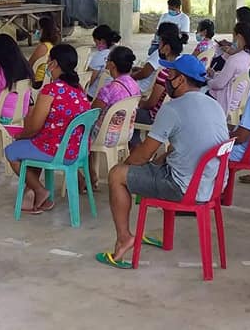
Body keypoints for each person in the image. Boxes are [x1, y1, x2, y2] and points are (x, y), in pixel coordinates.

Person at [95, 55, 228, 269]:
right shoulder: (214, 105)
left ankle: (124, 238)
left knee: (116, 176)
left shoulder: (172, 109)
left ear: (181, 80)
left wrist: (125, 167)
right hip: (213, 185)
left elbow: (143, 155)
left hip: (184, 188)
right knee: (159, 162)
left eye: (170, 74)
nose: (165, 78)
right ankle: (152, 231)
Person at [5, 44, 91, 213]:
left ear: (55, 64)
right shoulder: (79, 89)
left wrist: (20, 135)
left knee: (11, 151)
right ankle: (33, 196)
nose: (47, 64)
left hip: (56, 150)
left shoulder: (51, 90)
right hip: (77, 150)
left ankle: (38, 190)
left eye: (48, 60)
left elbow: (35, 127)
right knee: (32, 146)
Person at [88, 46, 140, 190]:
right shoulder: (134, 85)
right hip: (126, 133)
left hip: (105, 135)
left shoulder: (109, 89)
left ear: (112, 64)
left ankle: (90, 177)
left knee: (80, 131)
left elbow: (93, 111)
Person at [130, 30, 186, 147]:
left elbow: (151, 104)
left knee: (128, 114)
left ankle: (135, 147)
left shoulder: (166, 73)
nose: (158, 48)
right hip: (176, 114)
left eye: (160, 45)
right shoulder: (183, 69)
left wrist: (136, 103)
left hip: (156, 116)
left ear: (167, 48)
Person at [208, 22, 250, 114]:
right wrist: (215, 74)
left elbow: (218, 84)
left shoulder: (235, 58)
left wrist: (208, 80)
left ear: (239, 37)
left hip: (226, 101)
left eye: (233, 35)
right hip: (241, 100)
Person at [132, 22, 187, 94]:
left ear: (167, 47)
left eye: (160, 41)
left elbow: (144, 73)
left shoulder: (158, 56)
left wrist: (131, 76)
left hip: (142, 89)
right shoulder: (178, 58)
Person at [85, 24, 122, 99]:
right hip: (116, 92)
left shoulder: (100, 56)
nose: (96, 45)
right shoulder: (119, 51)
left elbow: (89, 79)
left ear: (101, 41)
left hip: (95, 94)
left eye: (96, 42)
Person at [27, 16, 60, 89]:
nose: (36, 31)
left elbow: (30, 64)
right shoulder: (51, 45)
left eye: (38, 29)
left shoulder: (43, 47)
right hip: (46, 79)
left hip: (37, 81)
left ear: (43, 30)